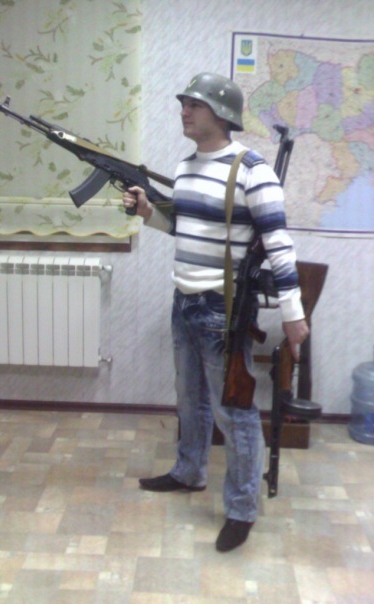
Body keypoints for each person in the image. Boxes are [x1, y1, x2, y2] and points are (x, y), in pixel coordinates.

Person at [123, 72, 309, 552]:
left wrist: (293, 314)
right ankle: (189, 472)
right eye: (184, 103)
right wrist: (148, 212)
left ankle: (242, 508)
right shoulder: (187, 166)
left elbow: (279, 246)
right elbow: (185, 228)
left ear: (222, 114)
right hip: (183, 300)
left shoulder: (252, 170)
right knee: (190, 400)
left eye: (195, 105)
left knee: (235, 413)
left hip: (220, 310)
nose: (184, 111)